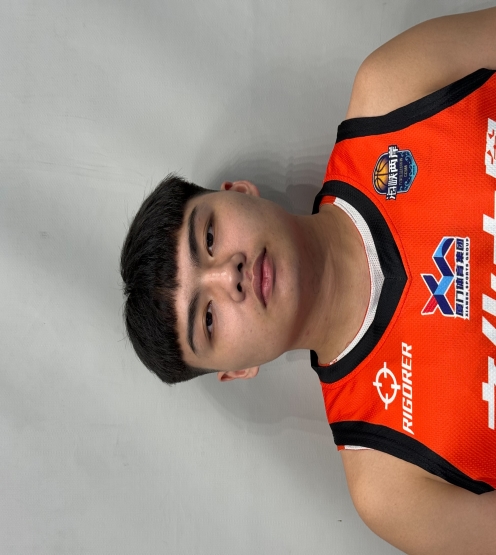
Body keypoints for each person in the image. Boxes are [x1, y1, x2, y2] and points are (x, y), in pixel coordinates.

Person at [120, 7, 496, 554]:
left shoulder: (393, 91)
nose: (230, 275)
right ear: (237, 369)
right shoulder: (390, 484)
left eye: (209, 237)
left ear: (238, 192)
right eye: (209, 318)